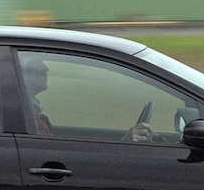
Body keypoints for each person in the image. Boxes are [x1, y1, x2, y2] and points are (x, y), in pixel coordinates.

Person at [22, 57, 154, 141]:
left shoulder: (32, 113)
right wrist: (127, 142)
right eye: (35, 63)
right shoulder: (25, 117)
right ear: (21, 73)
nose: (46, 68)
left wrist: (126, 141)